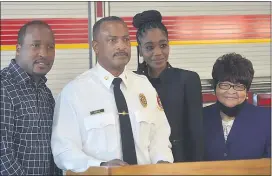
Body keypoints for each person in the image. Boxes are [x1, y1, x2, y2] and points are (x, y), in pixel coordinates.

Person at [51, 16, 173, 173]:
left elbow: (160, 135)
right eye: (113, 40)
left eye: (126, 40)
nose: (121, 46)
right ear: (96, 47)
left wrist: (162, 161)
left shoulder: (144, 86)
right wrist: (102, 166)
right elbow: (64, 151)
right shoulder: (74, 92)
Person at [133, 10, 204, 162]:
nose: (158, 53)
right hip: (142, 160)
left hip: (180, 161)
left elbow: (196, 134)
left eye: (163, 45)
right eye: (149, 47)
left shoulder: (188, 79)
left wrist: (197, 167)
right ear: (139, 50)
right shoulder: (132, 82)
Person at [0, 20, 61, 175]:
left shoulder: (45, 93)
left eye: (50, 47)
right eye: (36, 45)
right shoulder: (4, 87)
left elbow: (52, 152)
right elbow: (3, 156)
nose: (44, 54)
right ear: (18, 49)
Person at [203, 52, 271, 161]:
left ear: (246, 90)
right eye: (225, 85)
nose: (231, 91)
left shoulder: (267, 118)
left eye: (239, 86)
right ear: (215, 87)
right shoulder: (198, 117)